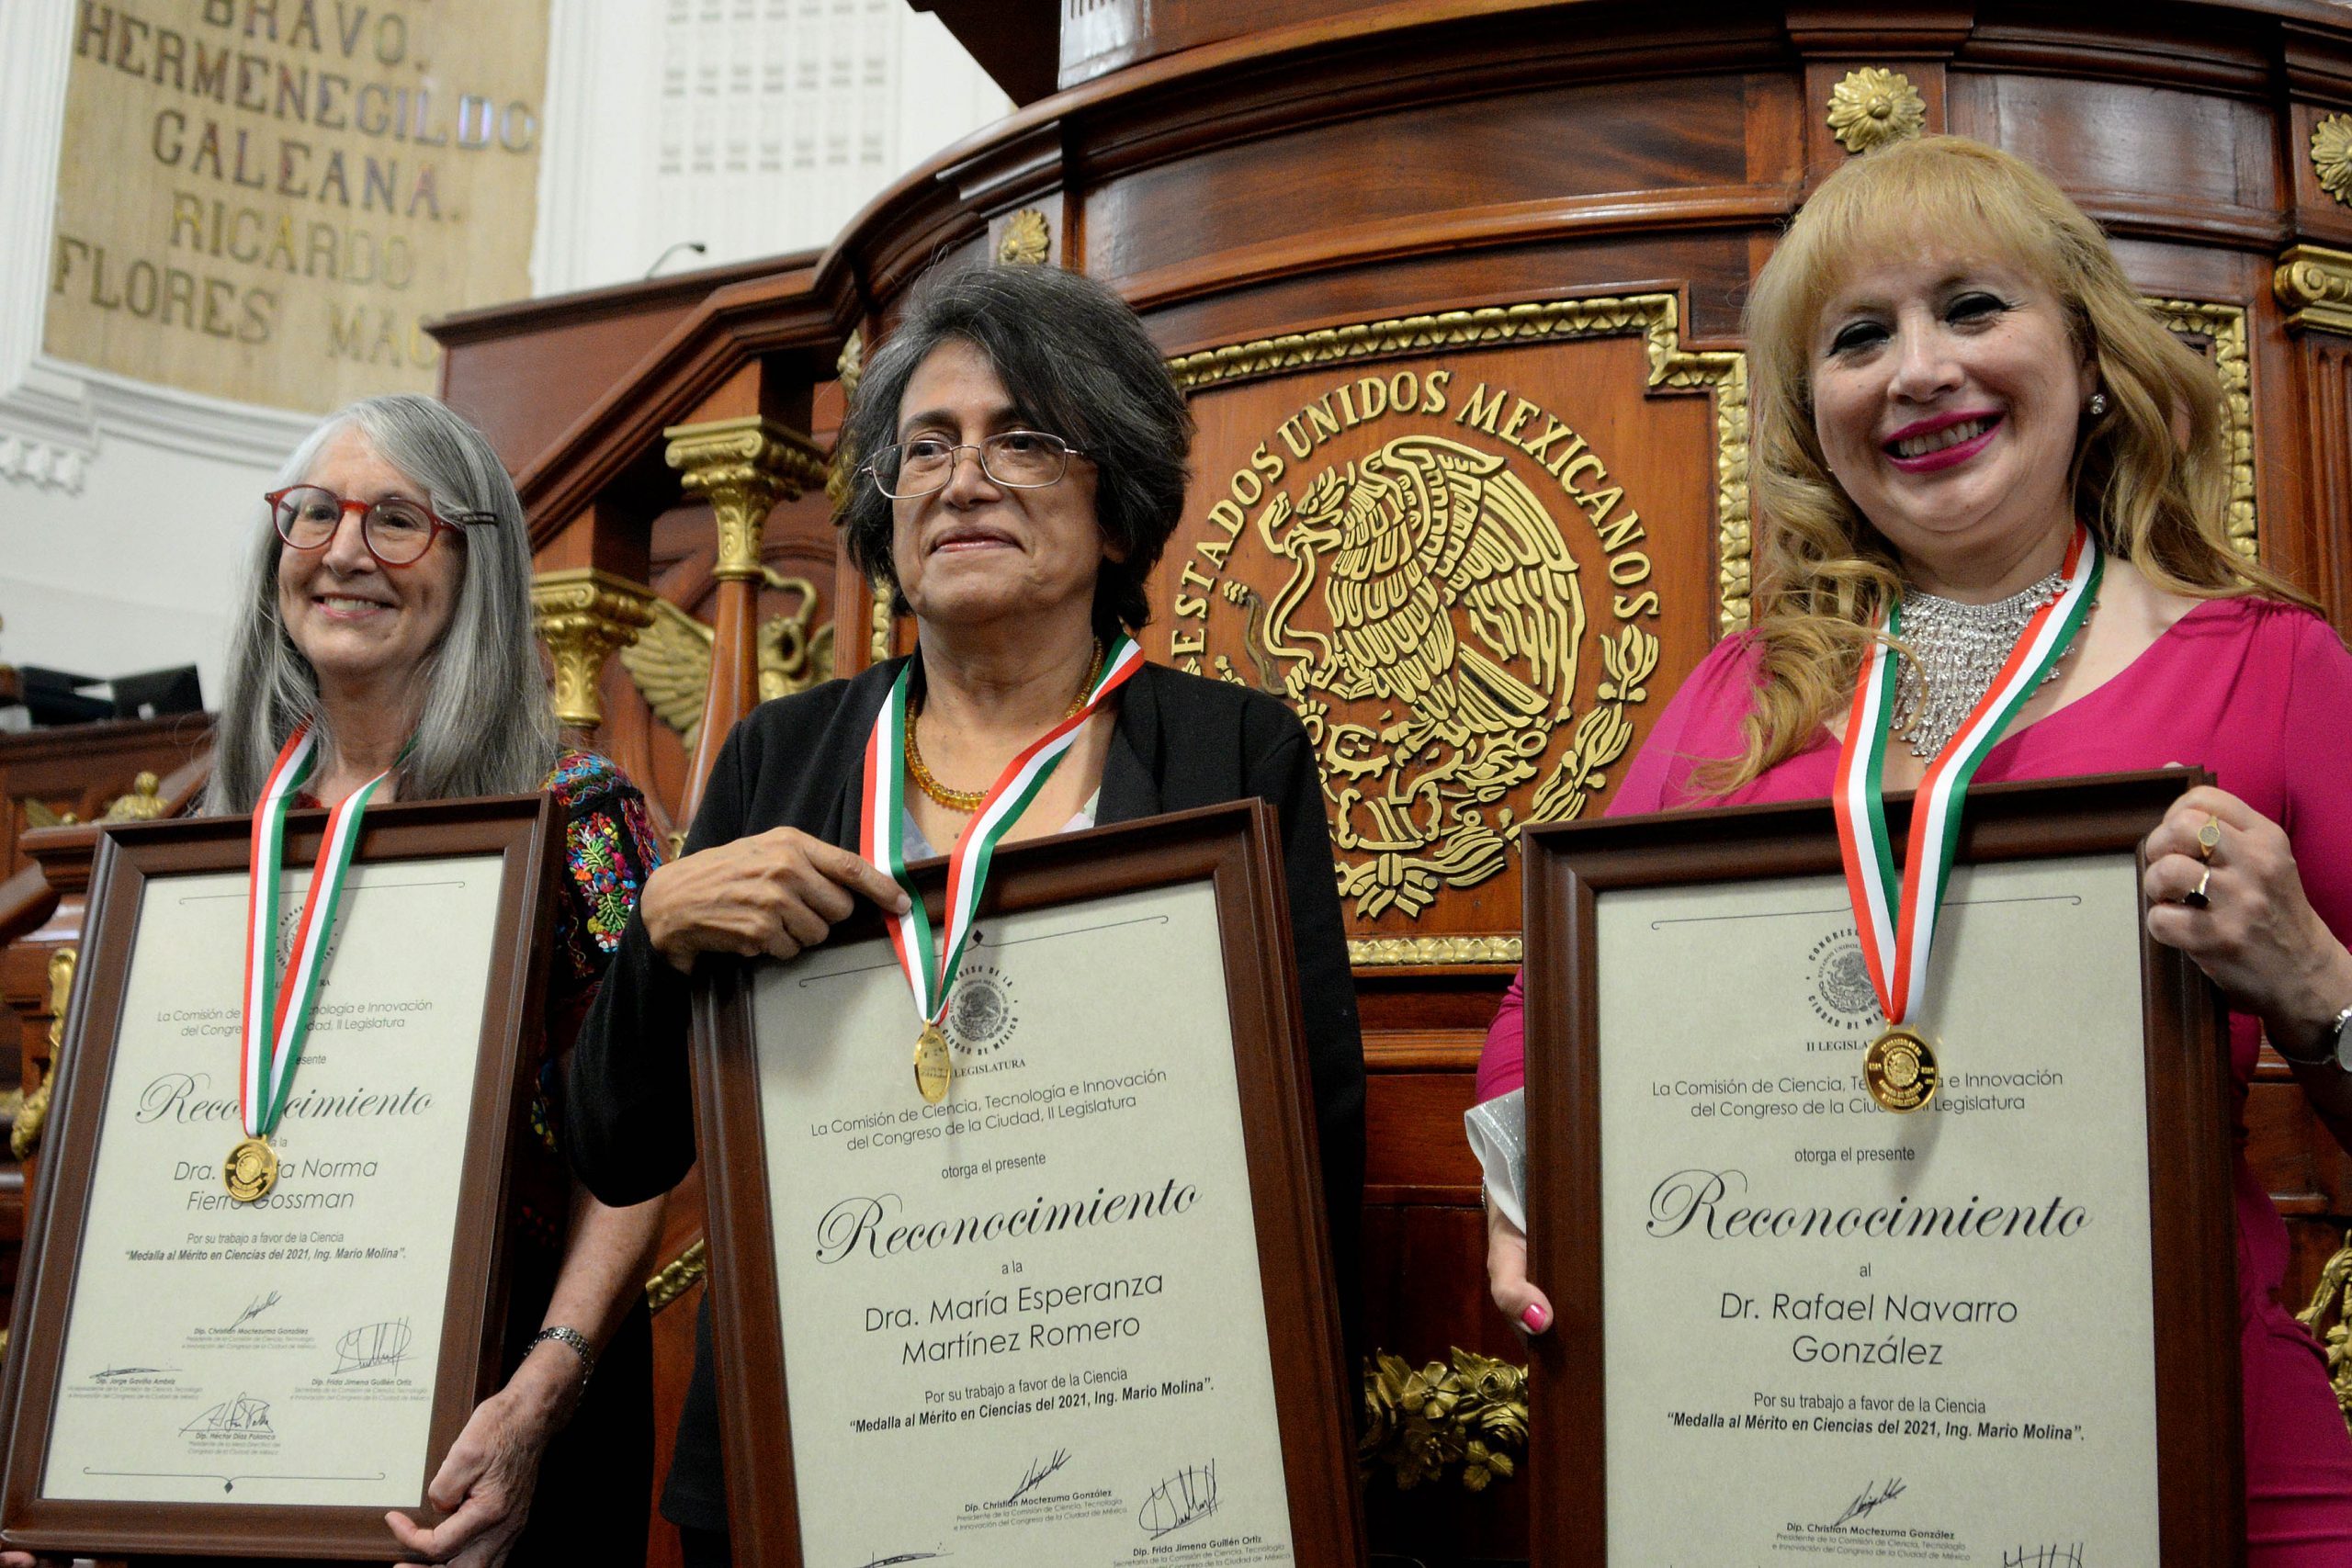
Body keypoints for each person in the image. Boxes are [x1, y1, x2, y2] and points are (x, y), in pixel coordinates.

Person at [1470, 134, 2352, 1560]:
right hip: (1789, 1448)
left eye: (1972, 307)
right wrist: (1528, 1194)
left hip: (2200, 1448)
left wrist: (2313, 978)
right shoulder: (1741, 695)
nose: (1918, 368)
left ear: (2090, 352)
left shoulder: (2274, 665)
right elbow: (1550, 997)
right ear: (1815, 413)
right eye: (1860, 336)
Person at [563, 262, 1366, 1566]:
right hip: (818, 1438)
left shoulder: (1234, 751)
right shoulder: (781, 755)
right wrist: (659, 927)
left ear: (1117, 513)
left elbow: (1312, 1133)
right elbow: (618, 1144)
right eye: (925, 446)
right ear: (886, 511)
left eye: (1025, 440)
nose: (963, 477)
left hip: (1136, 1444)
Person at [0, 394, 668, 1568]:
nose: (347, 551)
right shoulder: (207, 841)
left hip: (480, 1437)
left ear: (480, 567)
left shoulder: (578, 816)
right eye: (315, 515)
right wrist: (75, 1457)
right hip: (230, 1425)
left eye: (398, 520)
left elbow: (637, 1142)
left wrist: (540, 1394)